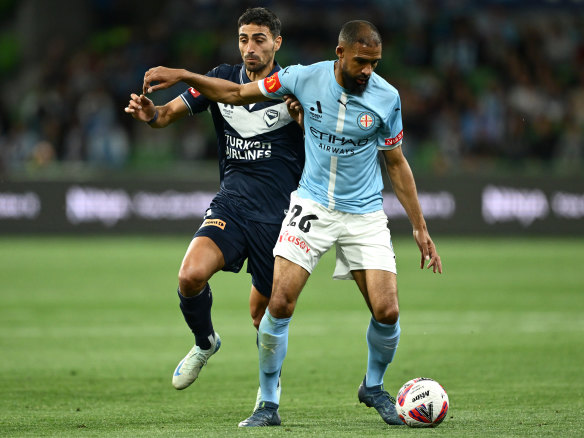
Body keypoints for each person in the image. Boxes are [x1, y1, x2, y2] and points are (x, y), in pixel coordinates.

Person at [142, 20, 442, 428]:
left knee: (387, 311)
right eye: (361, 62)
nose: (368, 71)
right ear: (340, 54)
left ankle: (374, 386)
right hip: (311, 206)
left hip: (364, 212)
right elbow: (233, 93)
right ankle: (267, 405)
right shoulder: (301, 79)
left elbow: (396, 163)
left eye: (374, 63)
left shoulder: (387, 98)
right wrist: (181, 77)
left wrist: (419, 227)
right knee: (276, 305)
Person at [124, 7, 304, 409]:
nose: (250, 48)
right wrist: (151, 114)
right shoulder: (220, 78)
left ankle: (268, 390)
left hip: (279, 217)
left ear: (277, 42)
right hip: (233, 205)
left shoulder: (294, 87)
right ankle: (205, 341)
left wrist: (305, 121)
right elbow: (166, 115)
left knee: (264, 315)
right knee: (190, 275)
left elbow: (320, 138)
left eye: (259, 39)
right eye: (244, 39)